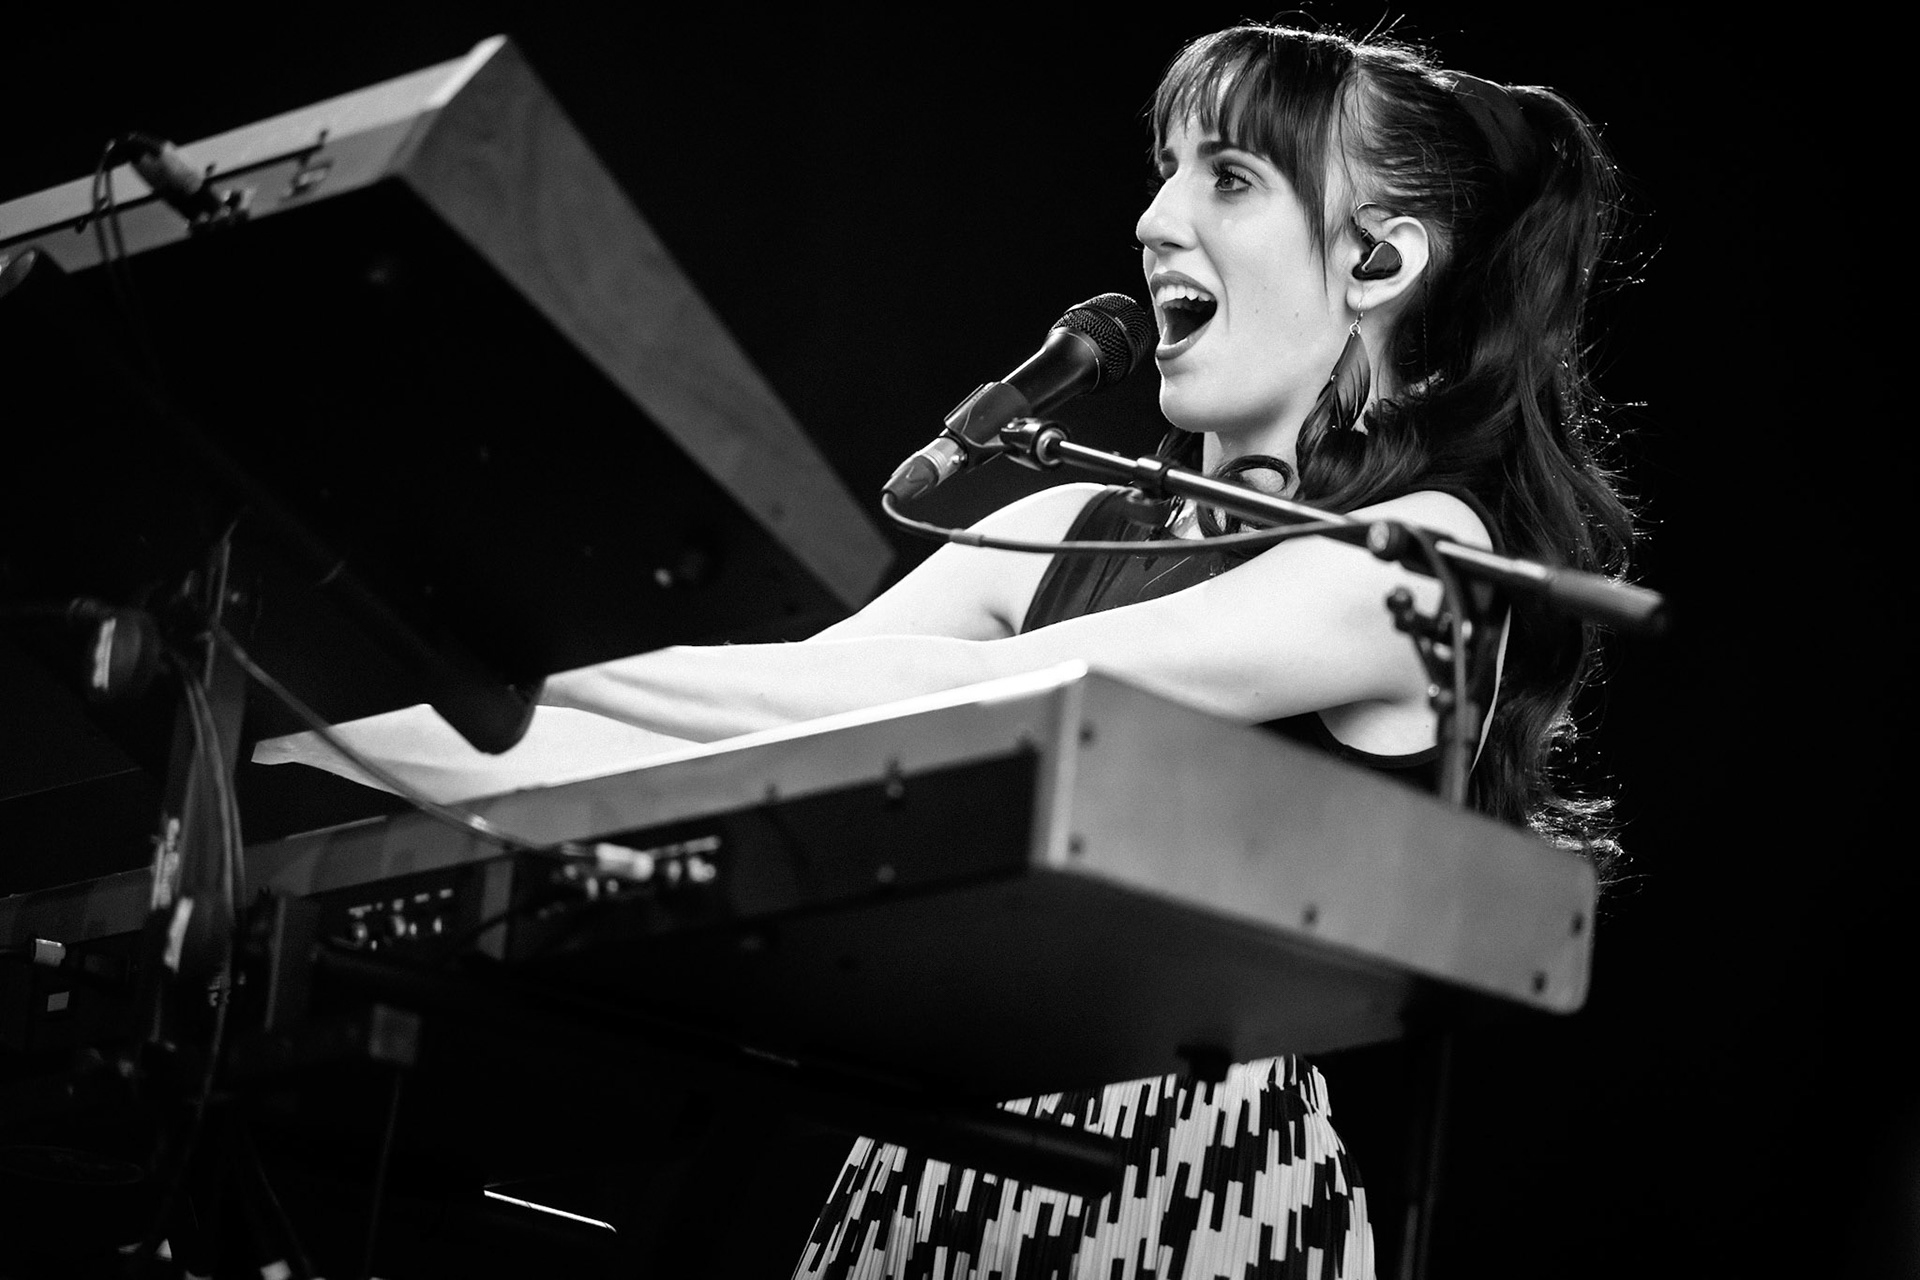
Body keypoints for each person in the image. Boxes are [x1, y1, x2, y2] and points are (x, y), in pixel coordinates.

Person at [265, 20, 1634, 1280]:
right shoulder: (1064, 523)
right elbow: (783, 709)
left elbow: (979, 703)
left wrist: (387, 708)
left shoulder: (1419, 559)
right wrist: (313, 695)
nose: (1155, 222)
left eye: (1228, 179)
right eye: (1163, 175)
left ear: (1379, 260)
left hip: (1185, 1188)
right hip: (930, 1154)